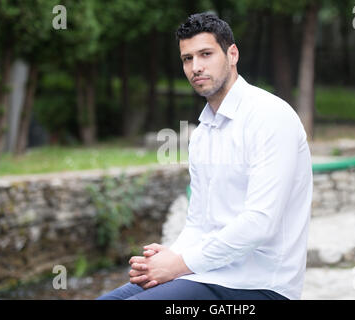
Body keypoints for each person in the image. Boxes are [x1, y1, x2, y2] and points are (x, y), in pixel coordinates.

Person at [97, 12, 313, 300]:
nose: (196, 67)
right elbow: (199, 223)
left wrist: (178, 264)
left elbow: (260, 223)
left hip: (258, 285)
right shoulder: (203, 132)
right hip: (206, 273)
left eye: (206, 54)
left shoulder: (270, 117)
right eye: (187, 58)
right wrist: (169, 258)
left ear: (232, 54)